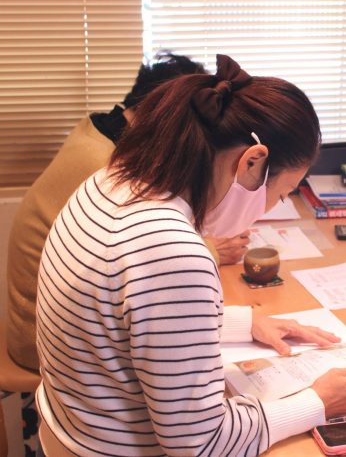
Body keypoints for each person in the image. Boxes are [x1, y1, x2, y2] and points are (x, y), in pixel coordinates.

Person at [35, 54, 346, 456]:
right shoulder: (169, 249)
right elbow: (200, 444)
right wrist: (318, 402)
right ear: (253, 161)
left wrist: (241, 323)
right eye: (280, 194)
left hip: (70, 431)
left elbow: (128, 322)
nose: (270, 207)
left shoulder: (112, 180)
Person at [6, 52, 250, 373]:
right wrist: (213, 250)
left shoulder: (100, 131)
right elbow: (155, 255)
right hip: (45, 340)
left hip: (66, 319)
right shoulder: (107, 167)